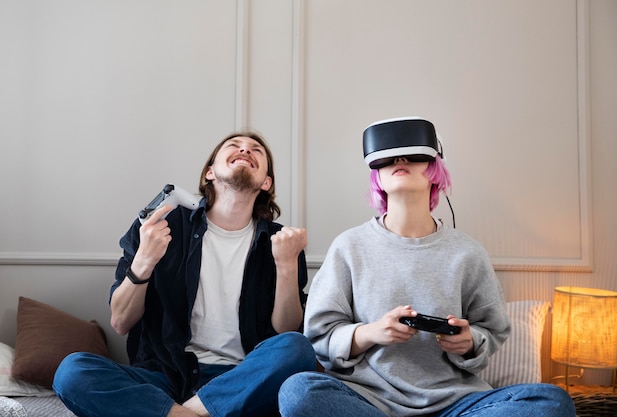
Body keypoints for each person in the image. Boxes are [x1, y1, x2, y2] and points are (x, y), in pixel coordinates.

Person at [278, 117, 575, 417]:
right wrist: (372, 332)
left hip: (456, 403)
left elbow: (492, 329)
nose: (400, 159)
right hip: (367, 400)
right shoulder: (348, 247)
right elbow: (320, 336)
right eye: (388, 158)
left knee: (552, 401)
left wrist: (469, 341)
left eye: (412, 154)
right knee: (297, 392)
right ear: (377, 176)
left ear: (435, 169)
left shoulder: (467, 253)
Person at [53, 131, 317, 417]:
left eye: (256, 150)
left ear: (266, 182)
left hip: (241, 382)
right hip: (165, 376)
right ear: (210, 172)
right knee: (72, 372)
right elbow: (120, 321)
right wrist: (144, 260)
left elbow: (285, 330)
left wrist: (287, 264)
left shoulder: (283, 242)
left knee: (297, 347)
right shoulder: (161, 225)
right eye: (234, 146)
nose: (245, 150)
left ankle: (183, 412)